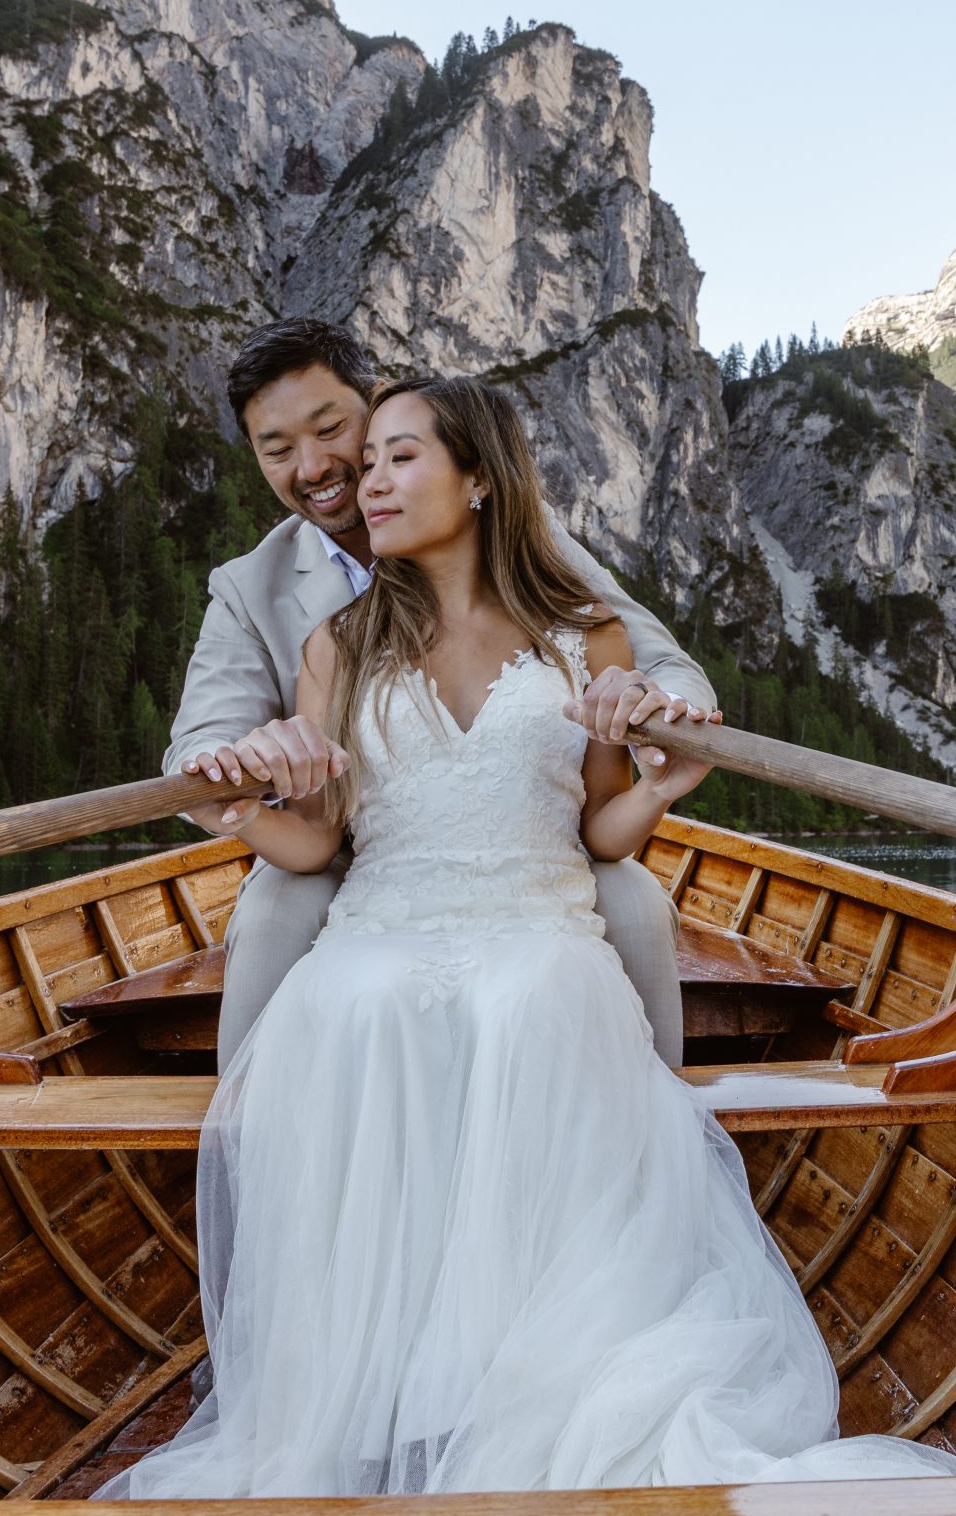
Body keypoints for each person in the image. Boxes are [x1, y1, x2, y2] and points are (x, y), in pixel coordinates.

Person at [97, 375, 956, 1497]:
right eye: (365, 461)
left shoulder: (588, 633)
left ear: (478, 478)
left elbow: (602, 826)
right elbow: (314, 840)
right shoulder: (338, 644)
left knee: (534, 996)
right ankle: (377, 1379)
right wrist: (231, 808)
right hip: (384, 911)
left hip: (537, 905)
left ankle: (511, 1371)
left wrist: (665, 779)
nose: (363, 480)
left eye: (397, 457)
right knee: (355, 1000)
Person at [169, 318, 716, 1067]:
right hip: (347, 852)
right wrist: (228, 769)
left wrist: (662, 716)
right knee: (271, 911)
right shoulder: (255, 593)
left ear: (376, 403)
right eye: (278, 449)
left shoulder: (527, 543)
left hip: (533, 859)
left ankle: (650, 1096)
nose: (315, 466)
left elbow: (651, 656)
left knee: (634, 900)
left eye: (331, 431)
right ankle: (252, 1116)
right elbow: (204, 735)